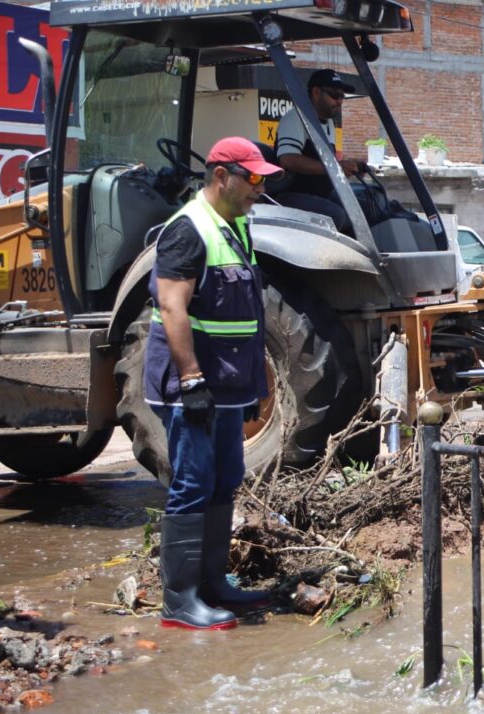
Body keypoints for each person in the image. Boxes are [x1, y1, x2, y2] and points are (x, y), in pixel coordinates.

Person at [144, 137, 278, 630]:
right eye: (253, 179)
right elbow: (172, 307)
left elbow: (242, 316)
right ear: (222, 176)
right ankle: (179, 601)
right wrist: (192, 379)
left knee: (225, 478)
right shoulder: (187, 230)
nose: (258, 190)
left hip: (227, 384)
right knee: (193, 482)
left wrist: (249, 388)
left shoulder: (235, 225)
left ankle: (215, 583)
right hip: (191, 383)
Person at [274, 69, 359, 232]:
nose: (340, 101)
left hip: (321, 194)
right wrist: (335, 168)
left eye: (342, 97)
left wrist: (351, 168)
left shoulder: (328, 124)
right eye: (335, 95)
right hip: (292, 195)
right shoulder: (296, 118)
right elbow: (288, 159)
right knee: (336, 215)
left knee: (363, 205)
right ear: (316, 92)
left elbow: (329, 165)